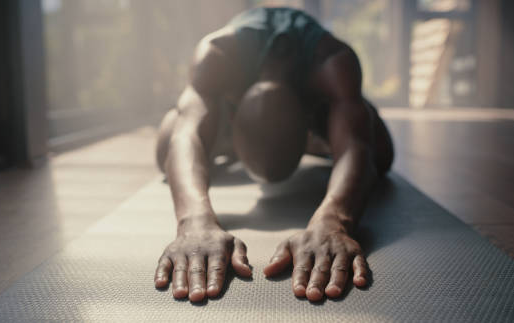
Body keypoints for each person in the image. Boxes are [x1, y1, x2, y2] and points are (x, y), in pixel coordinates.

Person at [153, 7, 394, 303]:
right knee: (167, 143)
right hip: (232, 102)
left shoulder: (332, 62)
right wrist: (194, 221)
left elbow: (357, 148)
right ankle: (228, 140)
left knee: (380, 153)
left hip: (317, 103)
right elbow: (185, 135)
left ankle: (326, 133)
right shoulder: (216, 55)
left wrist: (334, 221)